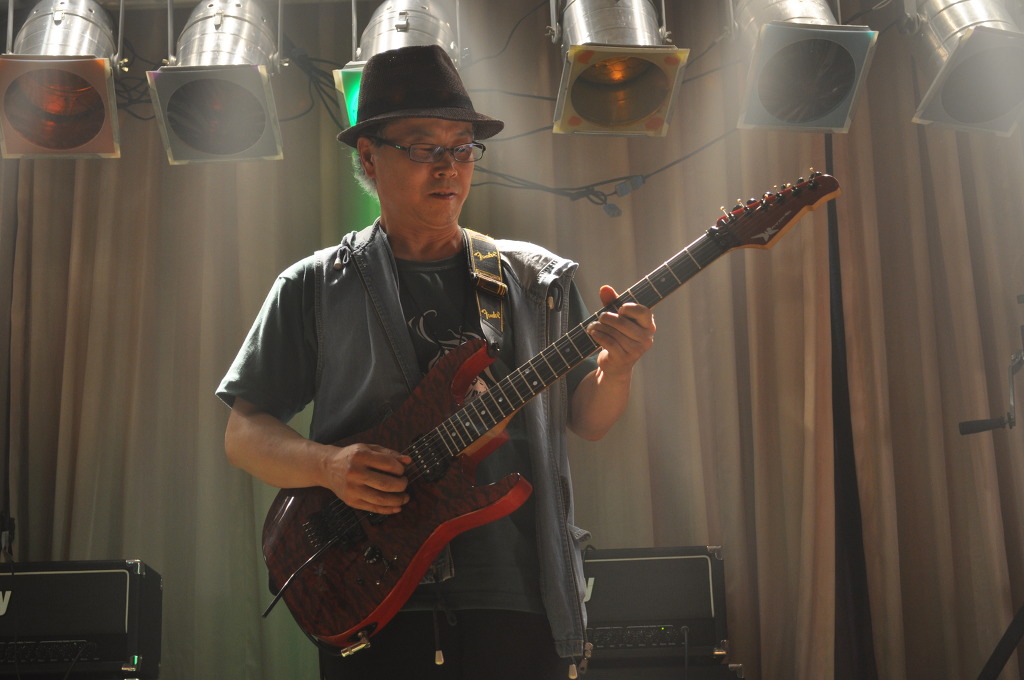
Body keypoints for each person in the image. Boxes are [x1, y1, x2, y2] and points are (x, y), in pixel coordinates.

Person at [217, 44, 656, 680]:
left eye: (463, 148)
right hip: (368, 586)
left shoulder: (535, 280)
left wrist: (618, 367)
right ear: (369, 158)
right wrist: (329, 467)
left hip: (515, 593)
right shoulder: (313, 285)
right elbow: (243, 434)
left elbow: (586, 421)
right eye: (424, 148)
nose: (449, 166)